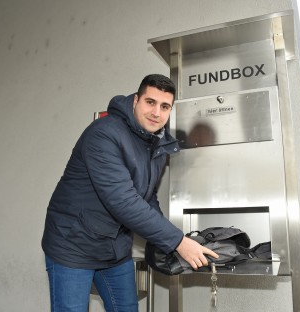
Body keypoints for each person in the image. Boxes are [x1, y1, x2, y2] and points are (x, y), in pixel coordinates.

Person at [41, 74, 218, 312]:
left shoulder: (156, 144)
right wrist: (177, 241)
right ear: (136, 100)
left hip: (114, 248)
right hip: (73, 244)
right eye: (150, 102)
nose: (156, 112)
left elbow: (146, 197)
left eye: (165, 106)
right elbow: (123, 201)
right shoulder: (103, 134)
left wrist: (168, 241)